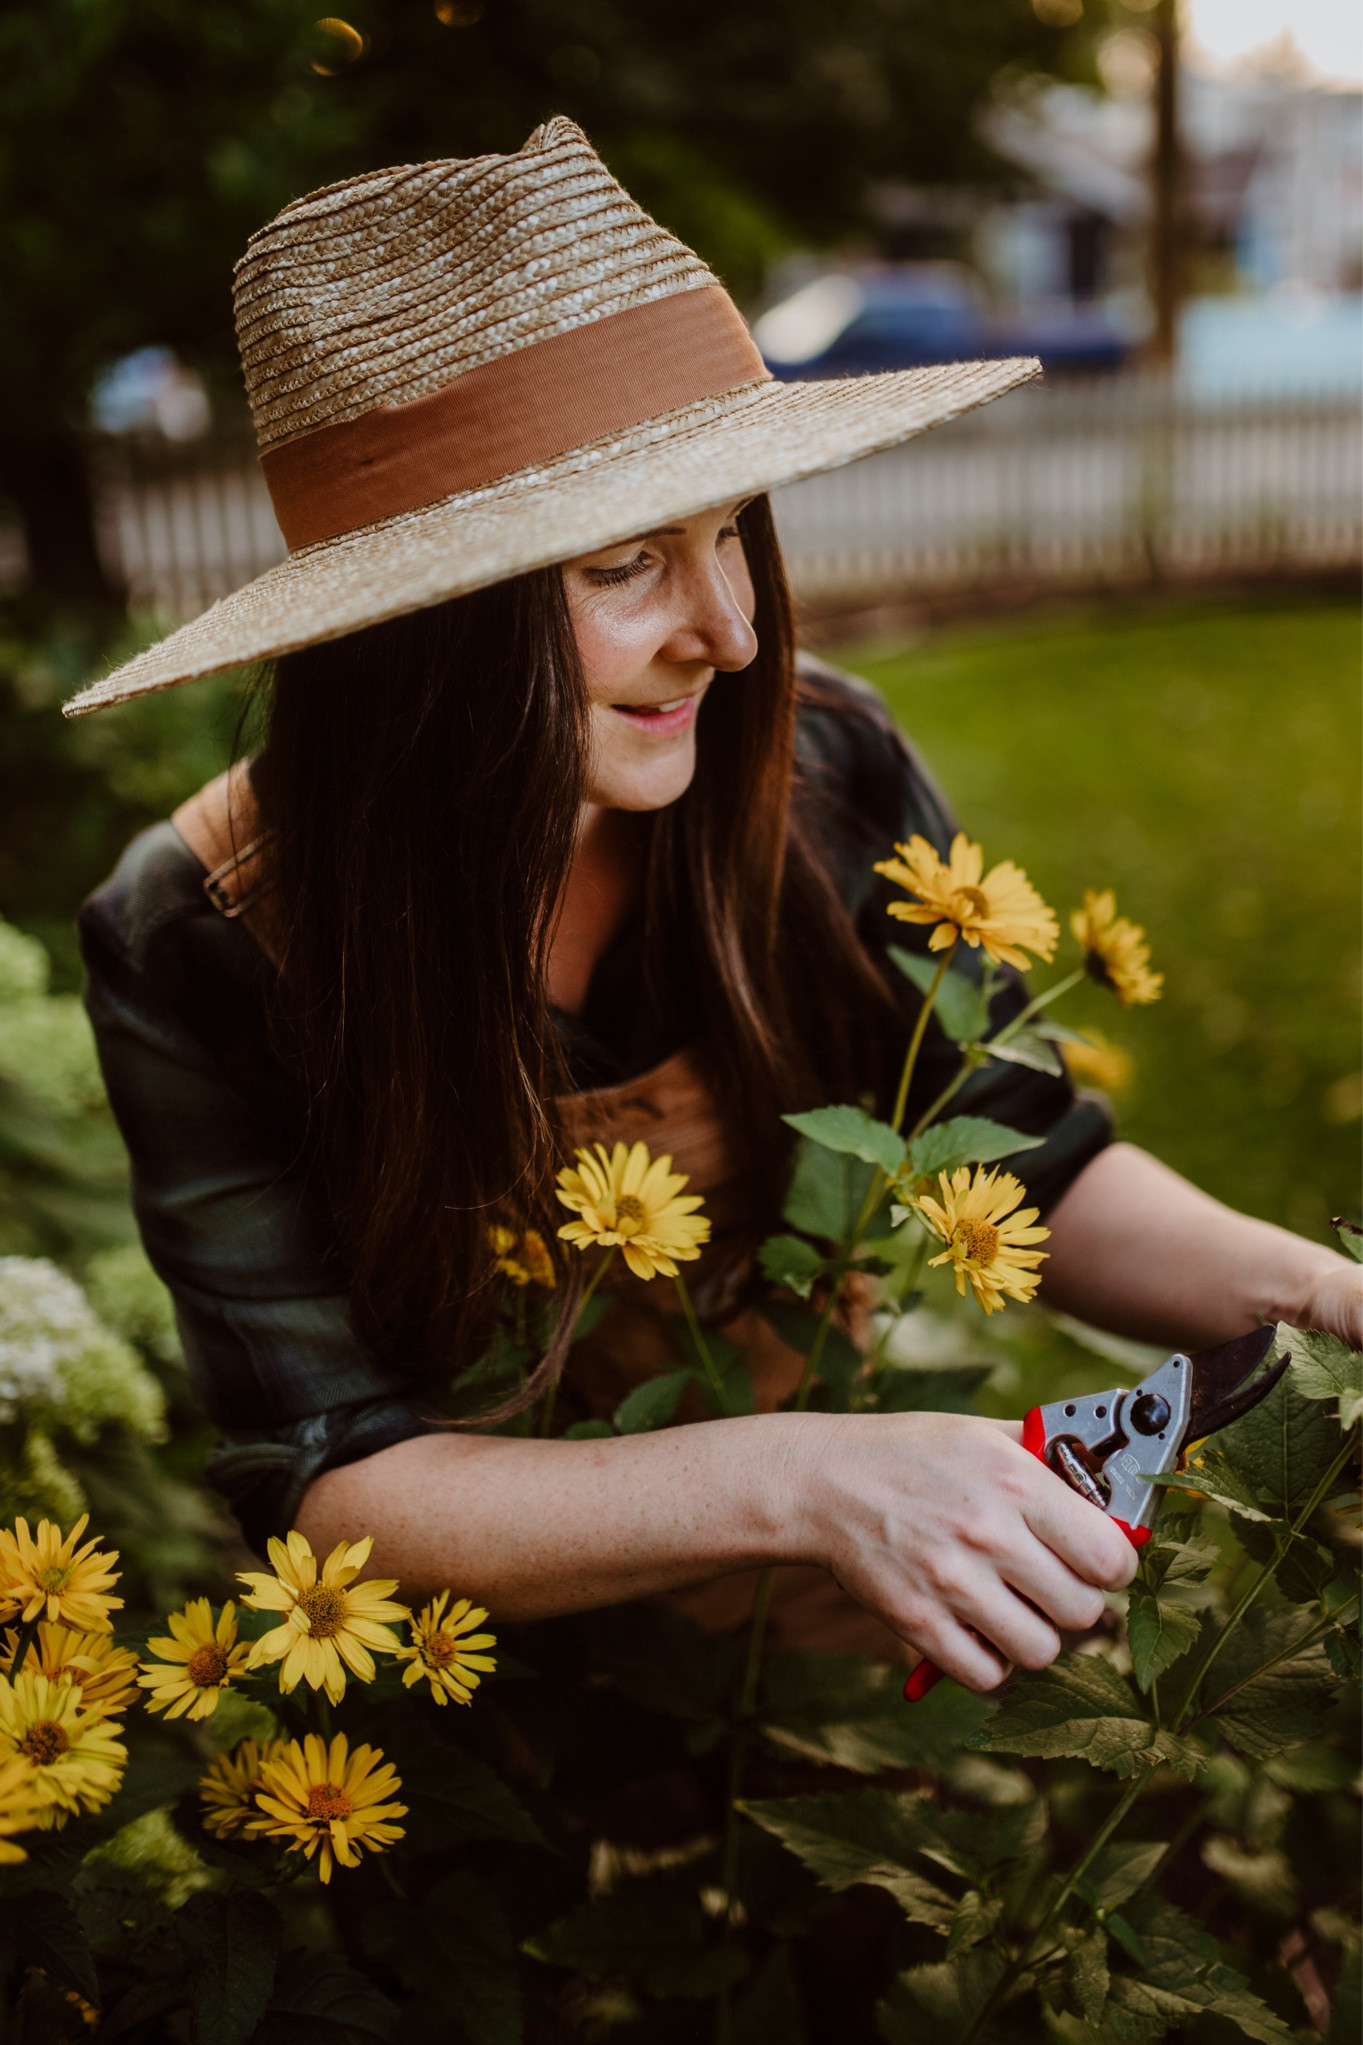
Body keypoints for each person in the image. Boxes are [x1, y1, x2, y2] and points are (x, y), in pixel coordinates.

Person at [72, 121, 1361, 1696]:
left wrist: (1321, 1297)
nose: (734, 632)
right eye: (628, 563)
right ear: (417, 626)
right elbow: (327, 1474)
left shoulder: (823, 769)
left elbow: (1033, 1164)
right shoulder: (201, 934)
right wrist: (813, 1480)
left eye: (733, 526)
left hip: (858, 1680)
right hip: (481, 1731)